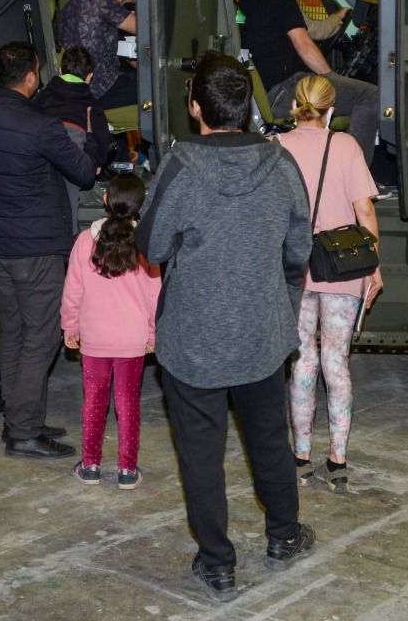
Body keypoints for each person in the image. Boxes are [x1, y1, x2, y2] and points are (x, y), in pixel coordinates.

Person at [135, 51, 315, 602]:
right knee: (270, 440)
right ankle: (284, 535)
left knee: (201, 454)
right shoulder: (282, 164)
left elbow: (151, 246)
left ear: (196, 107)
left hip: (194, 339)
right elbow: (298, 249)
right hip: (262, 331)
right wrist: (279, 303)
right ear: (247, 107)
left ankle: (217, 565)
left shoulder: (180, 168)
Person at [0, 41, 103, 459]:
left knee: (14, 334)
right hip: (35, 249)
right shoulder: (40, 125)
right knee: (42, 337)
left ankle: (20, 419)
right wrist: (92, 139)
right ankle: (24, 432)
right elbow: (83, 172)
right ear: (31, 76)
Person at [277, 75, 384, 494]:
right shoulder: (347, 146)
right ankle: (338, 460)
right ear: (332, 109)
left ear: (294, 107)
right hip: (344, 268)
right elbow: (365, 212)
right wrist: (374, 266)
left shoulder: (277, 148)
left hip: (295, 268)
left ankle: (300, 457)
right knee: (336, 363)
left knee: (302, 363)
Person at [60, 174, 160, 490]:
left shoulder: (84, 241)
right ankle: (127, 470)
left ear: (105, 199)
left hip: (94, 338)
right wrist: (153, 334)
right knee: (128, 404)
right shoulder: (145, 243)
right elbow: (154, 296)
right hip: (132, 339)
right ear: (140, 205)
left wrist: (70, 325)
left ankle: (90, 466)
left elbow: (72, 290)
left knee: (94, 401)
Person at [236, 0, 379, 163]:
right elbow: (303, 44)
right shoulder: (281, 0)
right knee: (369, 95)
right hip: (290, 89)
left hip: (268, 95)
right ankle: (353, 168)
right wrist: (329, 77)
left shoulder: (241, 6)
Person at [57, 0, 138, 110]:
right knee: (158, 83)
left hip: (81, 90)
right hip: (105, 87)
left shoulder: (68, 6)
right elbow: (142, 28)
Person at [34, 46, 113, 173]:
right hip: (76, 160)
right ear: (89, 77)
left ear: (60, 70)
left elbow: (31, 116)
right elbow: (101, 135)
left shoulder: (43, 95)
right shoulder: (92, 104)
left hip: (42, 155)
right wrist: (99, 162)